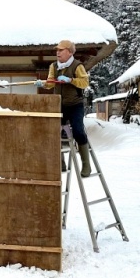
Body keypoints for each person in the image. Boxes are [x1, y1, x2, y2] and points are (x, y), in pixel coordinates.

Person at [36, 40, 92, 176]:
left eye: (61, 50)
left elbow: (85, 82)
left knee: (78, 131)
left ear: (70, 52)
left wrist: (71, 80)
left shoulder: (77, 65)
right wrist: (43, 84)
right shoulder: (53, 66)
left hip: (75, 105)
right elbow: (50, 83)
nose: (57, 52)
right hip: (59, 104)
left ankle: (86, 165)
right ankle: (60, 163)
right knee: (54, 132)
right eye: (57, 50)